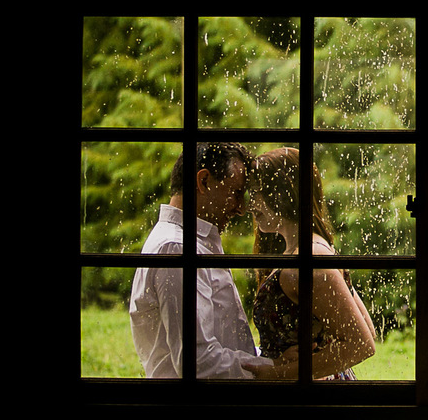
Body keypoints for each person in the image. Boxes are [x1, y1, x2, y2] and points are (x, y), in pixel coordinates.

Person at [129, 142, 273, 378]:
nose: (241, 208)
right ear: (203, 181)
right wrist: (278, 370)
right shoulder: (177, 247)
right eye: (236, 193)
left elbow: (219, 346)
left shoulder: (187, 243)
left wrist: (266, 358)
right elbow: (198, 362)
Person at [243, 147, 377, 380]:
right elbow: (367, 328)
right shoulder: (313, 250)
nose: (250, 205)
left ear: (282, 193)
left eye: (256, 193)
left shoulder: (310, 258)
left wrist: (277, 374)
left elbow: (362, 343)